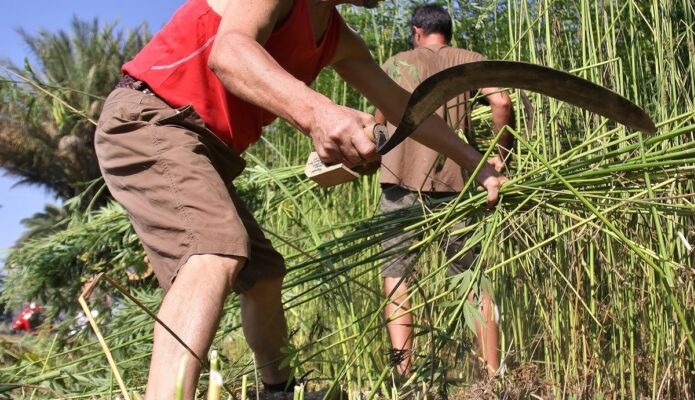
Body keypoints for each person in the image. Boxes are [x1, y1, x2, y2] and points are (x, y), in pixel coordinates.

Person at [93, 0, 506, 399]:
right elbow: (230, 52)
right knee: (213, 249)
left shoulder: (338, 40)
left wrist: (475, 160)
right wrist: (318, 113)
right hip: (151, 117)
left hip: (206, 149)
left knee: (264, 274)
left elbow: (404, 108)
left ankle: (277, 391)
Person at [374, 4, 513, 377]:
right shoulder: (469, 59)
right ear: (446, 32)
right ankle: (491, 376)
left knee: (397, 278)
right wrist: (498, 156)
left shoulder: (396, 64)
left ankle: (403, 376)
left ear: (417, 31)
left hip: (399, 183)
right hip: (456, 184)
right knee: (470, 279)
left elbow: (378, 125)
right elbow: (501, 101)